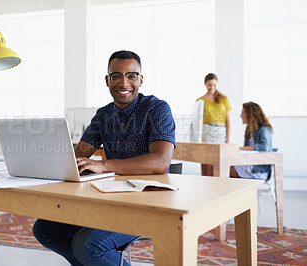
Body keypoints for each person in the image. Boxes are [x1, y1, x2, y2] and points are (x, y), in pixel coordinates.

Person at [32, 50, 176, 266]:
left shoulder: (157, 109)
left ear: (141, 79)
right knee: (45, 229)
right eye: (116, 76)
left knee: (88, 245)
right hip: (111, 199)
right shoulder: (103, 115)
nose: (124, 82)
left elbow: (160, 162)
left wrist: (103, 165)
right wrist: (44, 155)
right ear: (107, 80)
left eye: (132, 75)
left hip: (148, 204)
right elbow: (80, 155)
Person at [197, 73, 231, 176]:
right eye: (209, 85)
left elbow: (228, 120)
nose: (212, 87)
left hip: (220, 133)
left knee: (220, 163)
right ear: (205, 84)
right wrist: (200, 138)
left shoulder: (223, 99)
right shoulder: (200, 101)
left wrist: (228, 139)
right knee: (206, 162)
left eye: (214, 85)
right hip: (206, 133)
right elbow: (197, 122)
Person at [230, 102, 273, 179]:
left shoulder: (264, 130)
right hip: (248, 164)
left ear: (250, 114)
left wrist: (239, 148)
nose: (240, 116)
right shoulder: (249, 131)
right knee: (224, 166)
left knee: (227, 170)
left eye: (242, 113)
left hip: (258, 170)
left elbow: (264, 148)